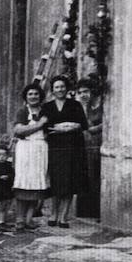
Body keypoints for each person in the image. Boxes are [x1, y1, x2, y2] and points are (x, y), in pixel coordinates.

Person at [41, 75, 89, 228]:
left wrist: (69, 127)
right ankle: (53, 213)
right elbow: (45, 127)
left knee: (70, 180)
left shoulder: (75, 104)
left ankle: (64, 216)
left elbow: (83, 124)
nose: (60, 89)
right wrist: (62, 128)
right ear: (53, 90)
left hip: (73, 147)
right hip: (55, 147)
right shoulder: (47, 107)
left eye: (62, 86)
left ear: (66, 88)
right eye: (57, 87)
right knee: (56, 180)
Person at [12, 82, 50, 232]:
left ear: (40, 96)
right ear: (26, 97)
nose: (33, 97)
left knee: (37, 183)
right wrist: (39, 124)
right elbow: (18, 130)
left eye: (36, 94)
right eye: (30, 94)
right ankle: (19, 219)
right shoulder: (22, 111)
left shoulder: (45, 111)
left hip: (40, 148)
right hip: (25, 149)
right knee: (23, 182)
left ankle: (29, 219)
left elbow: (49, 129)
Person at [75, 78, 104, 219]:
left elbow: (108, 122)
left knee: (99, 175)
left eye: (85, 91)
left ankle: (99, 211)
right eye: (80, 92)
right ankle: (87, 212)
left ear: (92, 91)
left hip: (100, 142)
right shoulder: (84, 107)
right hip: (88, 144)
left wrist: (94, 128)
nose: (82, 95)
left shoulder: (103, 104)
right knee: (88, 175)